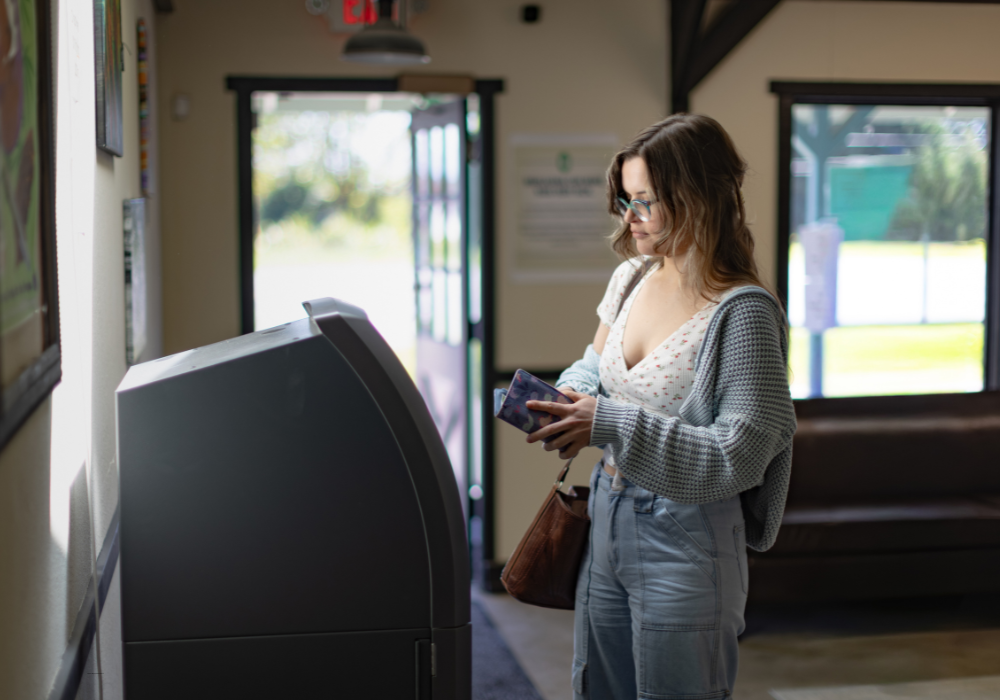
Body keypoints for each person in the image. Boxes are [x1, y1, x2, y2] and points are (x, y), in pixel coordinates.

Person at [524, 114, 797, 700]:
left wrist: (608, 421)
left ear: (696, 199)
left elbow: (741, 455)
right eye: (626, 199)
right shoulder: (630, 278)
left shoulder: (743, 313)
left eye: (644, 201)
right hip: (607, 512)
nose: (629, 217)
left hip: (688, 533)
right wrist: (566, 399)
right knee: (600, 688)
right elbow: (594, 366)